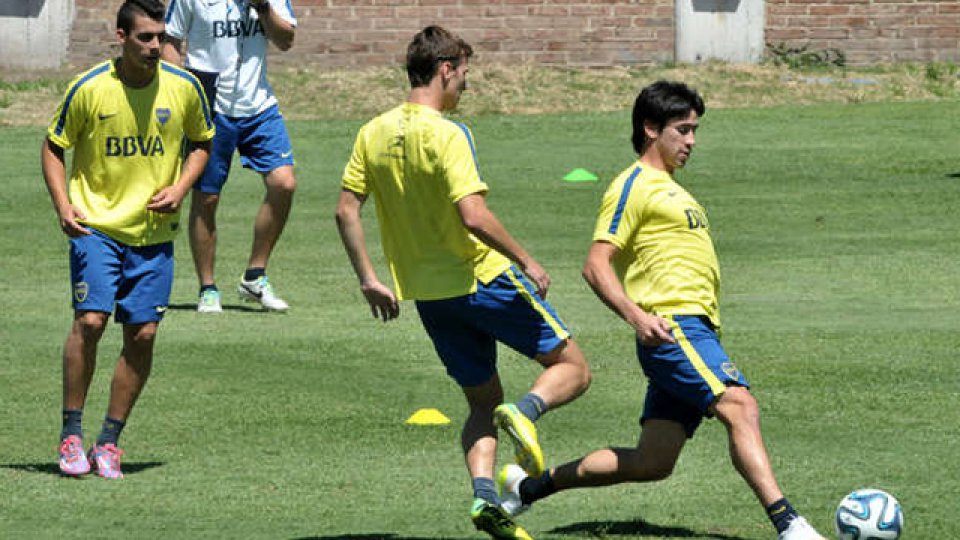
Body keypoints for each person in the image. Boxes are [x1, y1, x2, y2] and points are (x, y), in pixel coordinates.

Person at [496, 81, 826, 540]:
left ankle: (527, 488)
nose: (692, 141)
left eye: (695, 130)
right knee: (740, 405)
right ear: (651, 129)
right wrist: (636, 315)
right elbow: (595, 264)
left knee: (653, 462)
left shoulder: (671, 188)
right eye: (682, 129)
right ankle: (790, 524)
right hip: (675, 328)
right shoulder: (632, 186)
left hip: (697, 330)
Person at [335, 26, 591, 540]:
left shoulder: (372, 132)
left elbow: (345, 209)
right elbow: (473, 215)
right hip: (484, 279)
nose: (466, 87)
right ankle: (524, 413)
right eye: (464, 75)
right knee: (572, 368)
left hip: (430, 295)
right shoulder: (449, 133)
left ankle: (485, 500)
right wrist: (527, 260)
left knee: (479, 402)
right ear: (445, 68)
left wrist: (369, 279)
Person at [42, 0, 214, 479]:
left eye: (160, 36)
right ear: (121, 37)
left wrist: (181, 188)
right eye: (145, 37)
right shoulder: (89, 88)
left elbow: (202, 141)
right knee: (92, 321)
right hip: (95, 225)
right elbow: (55, 146)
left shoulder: (184, 88)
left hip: (153, 233)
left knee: (143, 333)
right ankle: (71, 434)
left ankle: (109, 442)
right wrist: (63, 205)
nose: (156, 46)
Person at [161, 0, 298, 312]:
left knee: (284, 184)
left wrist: (262, 7)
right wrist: (180, 90)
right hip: (211, 107)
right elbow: (171, 40)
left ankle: (255, 276)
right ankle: (207, 288)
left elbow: (286, 40)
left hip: (259, 106)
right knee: (207, 198)